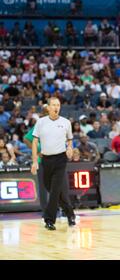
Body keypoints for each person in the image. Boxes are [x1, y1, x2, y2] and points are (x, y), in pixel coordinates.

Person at [31, 97, 76, 231]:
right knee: (52, 189)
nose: (56, 107)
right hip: (46, 160)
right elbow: (34, 142)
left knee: (55, 190)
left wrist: (69, 148)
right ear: (48, 107)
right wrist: (34, 161)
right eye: (54, 105)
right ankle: (70, 214)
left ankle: (49, 220)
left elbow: (70, 140)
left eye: (58, 105)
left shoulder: (66, 122)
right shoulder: (41, 122)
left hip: (60, 159)